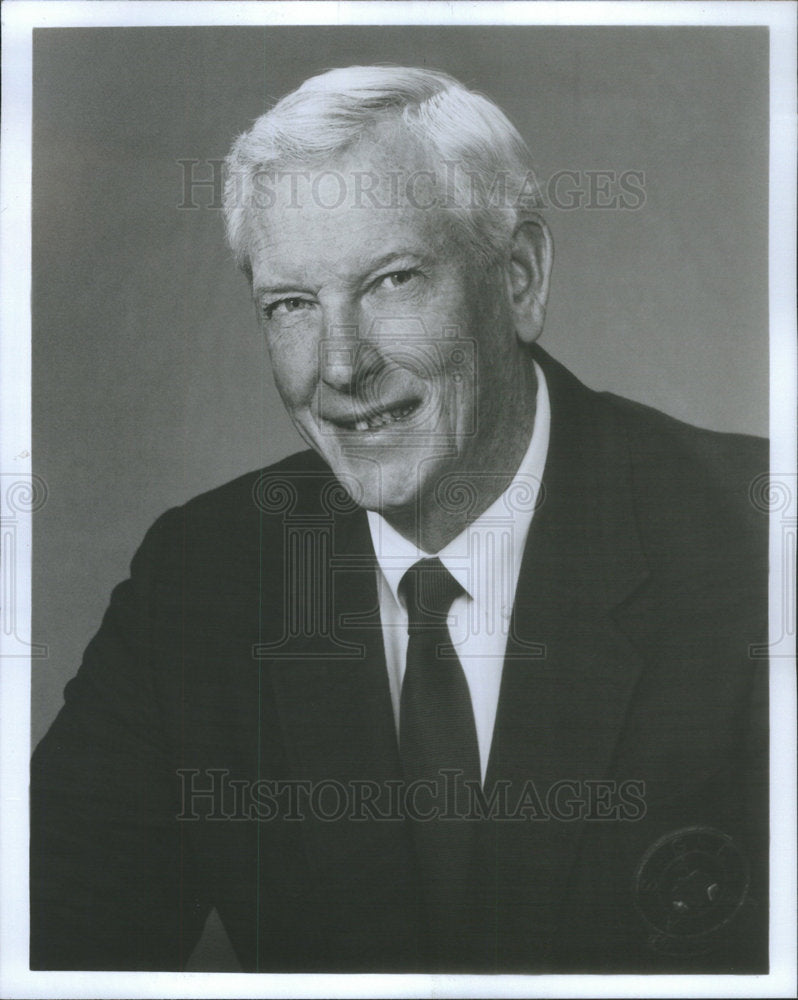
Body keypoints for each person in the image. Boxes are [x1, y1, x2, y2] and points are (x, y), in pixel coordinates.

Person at [30, 65, 768, 974]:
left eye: (391, 281)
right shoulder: (201, 583)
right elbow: (46, 947)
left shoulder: (762, 551)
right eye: (292, 305)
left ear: (521, 277)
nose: (340, 366)